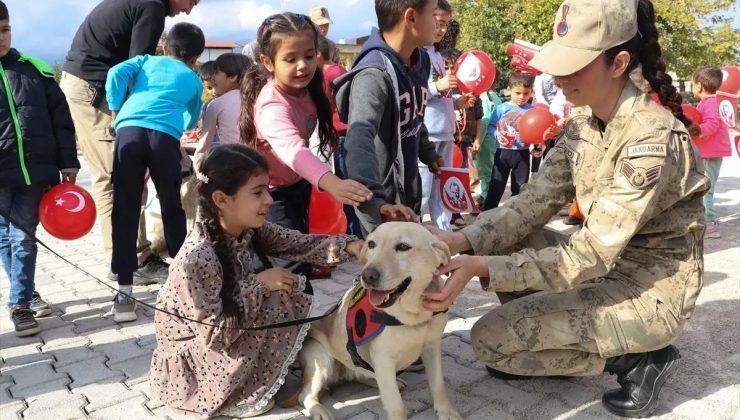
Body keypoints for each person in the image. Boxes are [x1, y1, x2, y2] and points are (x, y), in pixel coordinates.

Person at [423, 0, 709, 417]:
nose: (557, 78)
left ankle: (640, 359)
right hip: (604, 271)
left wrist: (481, 267)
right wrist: (461, 239)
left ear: (618, 63)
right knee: (510, 235)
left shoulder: (651, 141)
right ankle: (554, 331)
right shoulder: (584, 122)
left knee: (490, 343)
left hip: (647, 293)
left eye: (573, 65)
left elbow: (590, 253)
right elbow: (532, 203)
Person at [150, 144, 362, 418]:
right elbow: (214, 335)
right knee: (277, 294)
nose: (269, 200)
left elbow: (298, 243)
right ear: (222, 200)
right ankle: (236, 395)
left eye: (268, 189)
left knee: (286, 288)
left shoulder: (246, 229)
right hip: (198, 356)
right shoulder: (199, 256)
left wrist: (353, 247)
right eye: (258, 192)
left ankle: (262, 374)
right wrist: (259, 284)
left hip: (221, 334)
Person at [60, 0, 200, 285]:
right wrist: (118, 110)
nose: (189, 9)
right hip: (92, 87)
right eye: (191, 0)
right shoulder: (152, 8)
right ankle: (131, 261)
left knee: (125, 177)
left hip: (91, 83)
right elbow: (134, 70)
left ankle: (133, 258)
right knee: (116, 179)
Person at [240, 13, 372, 291]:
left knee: (296, 259)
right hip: (268, 195)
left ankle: (293, 323)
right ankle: (295, 328)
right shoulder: (271, 105)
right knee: (292, 272)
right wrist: (332, 183)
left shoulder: (309, 88)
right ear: (267, 62)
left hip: (295, 186)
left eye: (309, 56)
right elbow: (294, 151)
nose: (303, 66)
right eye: (290, 59)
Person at [106, 22, 205, 322]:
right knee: (171, 207)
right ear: (195, 58)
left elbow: (115, 73)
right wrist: (181, 120)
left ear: (165, 47)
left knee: (125, 208)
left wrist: (116, 109)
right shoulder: (194, 79)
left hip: (130, 131)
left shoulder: (145, 61)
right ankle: (182, 285)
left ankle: (125, 294)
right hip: (164, 140)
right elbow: (192, 118)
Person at [0, 0, 80, 336]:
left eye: (4, 30)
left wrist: (68, 163)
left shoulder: (36, 71)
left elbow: (62, 122)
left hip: (34, 172)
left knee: (24, 238)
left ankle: (20, 304)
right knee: (4, 237)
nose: (0, 38)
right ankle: (25, 291)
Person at [333, 0, 443, 236]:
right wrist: (375, 203)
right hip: (385, 205)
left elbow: (414, 113)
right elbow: (359, 140)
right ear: (411, 17)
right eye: (434, 14)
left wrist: (427, 152)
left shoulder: (420, 59)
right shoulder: (373, 75)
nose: (439, 23)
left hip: (409, 191)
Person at [420, 2, 474, 231]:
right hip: (426, 136)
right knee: (422, 191)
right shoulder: (417, 54)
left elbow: (442, 96)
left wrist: (456, 102)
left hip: (445, 132)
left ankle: (444, 235)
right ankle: (411, 235)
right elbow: (413, 94)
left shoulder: (438, 55)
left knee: (442, 191)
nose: (441, 29)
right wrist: (436, 87)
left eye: (445, 24)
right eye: (437, 22)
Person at [482, 73, 535, 210]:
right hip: (502, 153)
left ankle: (514, 217)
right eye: (517, 93)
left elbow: (537, 131)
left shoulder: (532, 110)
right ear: (509, 89)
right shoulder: (501, 108)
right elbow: (491, 126)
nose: (521, 97)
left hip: (522, 154)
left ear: (531, 92)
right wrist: (497, 135)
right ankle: (487, 215)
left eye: (526, 93)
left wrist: (538, 145)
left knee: (519, 189)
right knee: (496, 187)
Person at [691, 66, 732, 239]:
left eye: (692, 85)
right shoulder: (713, 101)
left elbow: (712, 125)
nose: (693, 88)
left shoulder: (710, 103)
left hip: (710, 153)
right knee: (705, 188)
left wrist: (696, 130)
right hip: (710, 153)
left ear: (699, 85)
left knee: (705, 189)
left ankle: (709, 224)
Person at [193, 53, 251, 170]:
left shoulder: (216, 104)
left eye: (216, 73)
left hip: (231, 163)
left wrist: (198, 168)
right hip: (255, 161)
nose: (213, 78)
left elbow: (204, 144)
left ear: (233, 77)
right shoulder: (254, 98)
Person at [473, 88, 502, 208]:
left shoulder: (484, 97)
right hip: (490, 139)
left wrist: (478, 140)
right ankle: (486, 196)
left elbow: (484, 122)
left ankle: (485, 198)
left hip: (483, 139)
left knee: (484, 172)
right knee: (488, 170)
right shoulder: (494, 95)